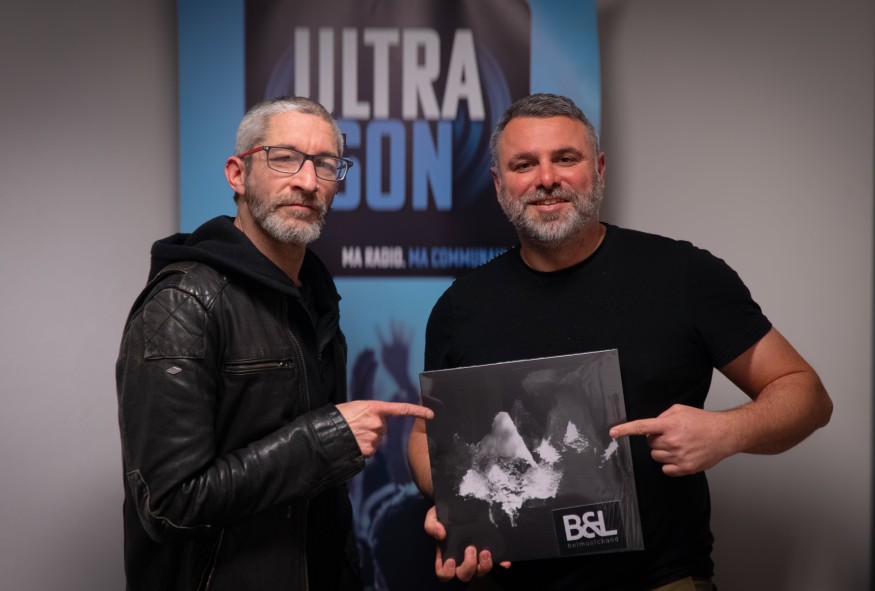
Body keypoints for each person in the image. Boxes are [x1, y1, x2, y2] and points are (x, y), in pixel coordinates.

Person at [407, 93, 832, 591]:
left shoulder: (682, 275)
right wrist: (460, 503)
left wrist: (726, 432)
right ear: (500, 184)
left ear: (599, 169)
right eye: (524, 164)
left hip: (659, 580)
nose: (547, 178)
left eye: (566, 158)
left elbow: (806, 394)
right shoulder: (460, 307)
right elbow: (425, 436)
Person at [116, 96, 433, 591]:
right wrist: (328, 439)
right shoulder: (185, 302)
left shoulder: (315, 298)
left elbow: (317, 500)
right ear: (237, 174)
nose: (307, 181)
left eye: (325, 164)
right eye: (284, 158)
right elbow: (169, 504)